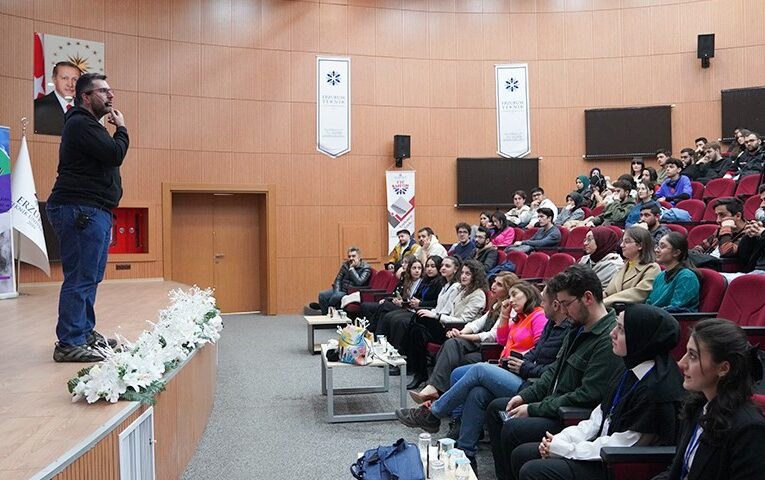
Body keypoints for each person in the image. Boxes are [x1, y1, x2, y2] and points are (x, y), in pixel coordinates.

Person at [512, 304, 686, 480]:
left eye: (621, 329)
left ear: (641, 338)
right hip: (599, 449)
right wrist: (562, 440)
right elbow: (598, 418)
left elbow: (624, 444)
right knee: (522, 454)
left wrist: (567, 450)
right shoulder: (629, 366)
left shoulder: (657, 390)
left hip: (620, 464)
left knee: (534, 470)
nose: (612, 333)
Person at [487, 264, 622, 480]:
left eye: (567, 304)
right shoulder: (577, 328)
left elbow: (587, 395)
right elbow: (552, 373)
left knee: (513, 429)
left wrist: (534, 409)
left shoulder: (607, 339)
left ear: (587, 298)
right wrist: (524, 397)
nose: (564, 311)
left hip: (570, 415)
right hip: (554, 402)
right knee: (497, 408)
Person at [396, 281, 548, 472]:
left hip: (524, 376)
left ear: (529, 294)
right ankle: (466, 452)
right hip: (507, 368)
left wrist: (522, 361)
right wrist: (504, 314)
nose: (510, 300)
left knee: (478, 370)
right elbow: (501, 340)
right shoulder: (520, 318)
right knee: (469, 384)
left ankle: (433, 413)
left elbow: (540, 350)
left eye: (514, 295)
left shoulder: (538, 316)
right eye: (509, 296)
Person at [47, 72, 129, 362]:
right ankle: (68, 342)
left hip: (91, 210)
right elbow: (115, 154)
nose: (110, 96)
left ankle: (82, 333)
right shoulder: (81, 123)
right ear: (85, 96)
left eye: (110, 90)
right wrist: (121, 128)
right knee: (81, 277)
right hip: (80, 209)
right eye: (103, 91)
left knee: (90, 277)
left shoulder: (88, 126)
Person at [652, 319, 765, 480]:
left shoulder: (749, 430)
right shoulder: (698, 407)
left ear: (723, 368)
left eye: (693, 356)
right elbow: (678, 471)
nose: (682, 363)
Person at [409, 272, 522, 402]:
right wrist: (462, 332)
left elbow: (492, 336)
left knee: (456, 353)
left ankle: (436, 391)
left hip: (489, 348)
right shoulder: (497, 304)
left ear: (508, 290)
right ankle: (435, 391)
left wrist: (466, 337)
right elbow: (477, 323)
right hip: (479, 342)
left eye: (499, 284)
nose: (494, 286)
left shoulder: (509, 308)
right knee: (451, 344)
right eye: (494, 282)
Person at [404, 259, 488, 389]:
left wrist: (437, 316)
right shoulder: (463, 290)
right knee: (417, 331)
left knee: (419, 321)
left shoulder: (478, 295)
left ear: (475, 276)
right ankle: (419, 373)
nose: (463, 276)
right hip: (448, 326)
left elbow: (464, 320)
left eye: (468, 274)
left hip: (459, 330)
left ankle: (417, 371)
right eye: (463, 273)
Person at [379, 256, 462, 356]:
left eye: (447, 266)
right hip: (430, 313)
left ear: (455, 269)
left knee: (404, 321)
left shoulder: (452, 286)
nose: (443, 268)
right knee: (393, 317)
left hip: (441, 321)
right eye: (427, 266)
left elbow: (445, 310)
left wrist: (423, 306)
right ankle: (386, 349)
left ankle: (398, 355)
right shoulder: (443, 284)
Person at [603, 226, 661, 307]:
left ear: (640, 245)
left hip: (633, 314)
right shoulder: (623, 267)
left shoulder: (652, 268)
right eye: (622, 241)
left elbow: (639, 293)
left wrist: (604, 302)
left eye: (627, 242)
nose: (621, 245)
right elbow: (607, 292)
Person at [646, 232, 700, 313]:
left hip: (673, 321)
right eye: (657, 246)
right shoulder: (660, 275)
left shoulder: (687, 277)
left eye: (662, 246)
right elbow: (649, 302)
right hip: (654, 317)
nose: (656, 250)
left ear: (676, 253)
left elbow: (676, 308)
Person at [314, 246, 372, 315]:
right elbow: (338, 279)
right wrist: (337, 291)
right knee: (322, 295)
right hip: (341, 289)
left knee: (336, 297)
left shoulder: (366, 268)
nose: (351, 258)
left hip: (351, 291)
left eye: (353, 256)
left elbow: (359, 282)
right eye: (349, 256)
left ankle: (326, 307)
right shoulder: (345, 265)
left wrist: (352, 269)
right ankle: (325, 316)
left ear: (359, 257)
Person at [34, 61, 81, 136]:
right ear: (54, 79)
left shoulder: (86, 109)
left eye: (75, 79)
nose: (70, 84)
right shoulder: (37, 107)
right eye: (65, 78)